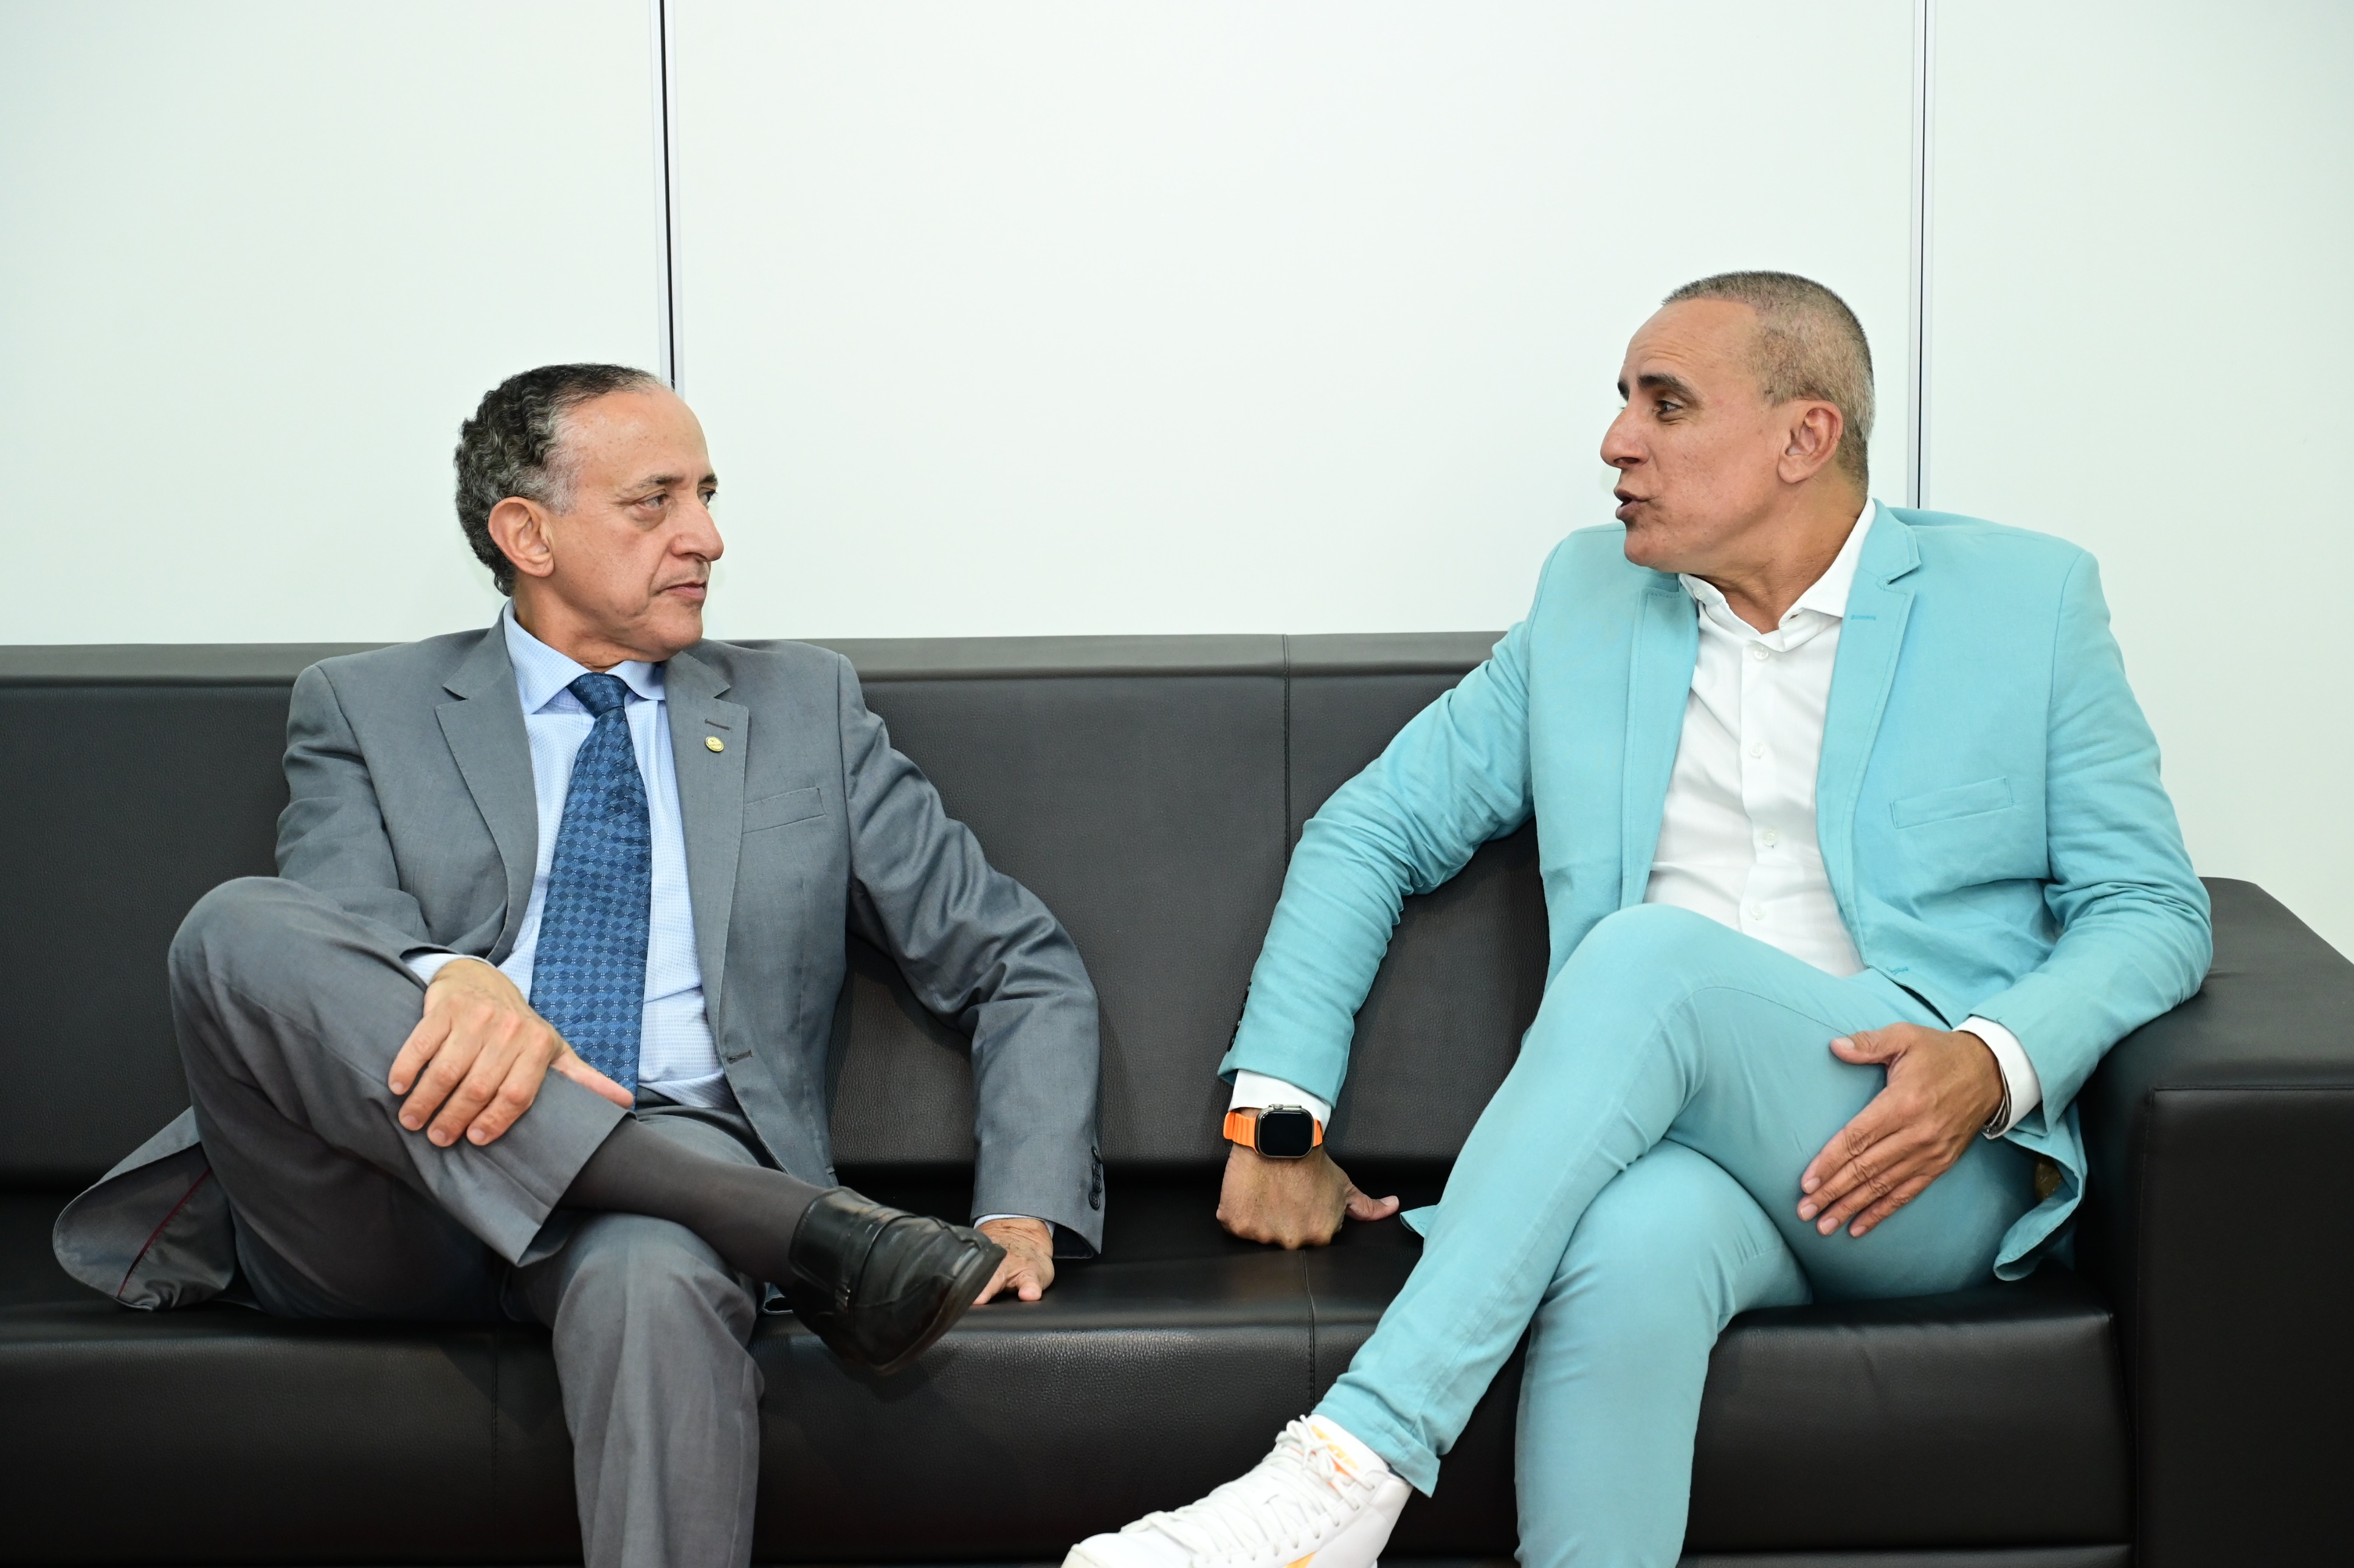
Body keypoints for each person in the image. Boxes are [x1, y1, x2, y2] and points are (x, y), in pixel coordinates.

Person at [1065, 272, 2209, 1568]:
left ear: (1805, 437)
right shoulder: (1588, 600)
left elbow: (2152, 906)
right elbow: (1371, 829)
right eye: (1623, 401)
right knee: (1627, 1245)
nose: (1617, 442)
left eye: (1665, 406)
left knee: (1647, 956)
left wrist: (1990, 1064)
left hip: (1918, 1154)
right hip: (1677, 1157)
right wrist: (1281, 1119)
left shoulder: (2024, 603)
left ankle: (1348, 1470)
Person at [53, 364, 1105, 1568]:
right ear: (527, 535)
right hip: (391, 1184)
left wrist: (1020, 1208)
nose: (706, 537)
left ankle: (713, 1203)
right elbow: (337, 934)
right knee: (236, 926)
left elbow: (1017, 961)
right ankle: (793, 1227)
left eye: (706, 496)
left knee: (656, 1272)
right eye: (654, 501)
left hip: (660, 1191)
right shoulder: (364, 705)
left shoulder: (802, 707)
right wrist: (450, 974)